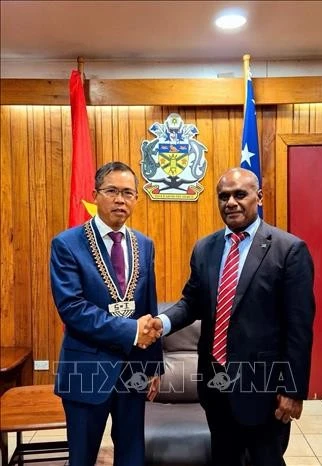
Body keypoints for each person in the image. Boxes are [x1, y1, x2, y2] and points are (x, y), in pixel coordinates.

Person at [153, 167, 315, 466]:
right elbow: (192, 302)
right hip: (215, 385)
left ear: (259, 197)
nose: (231, 202)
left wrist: (292, 390)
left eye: (240, 194)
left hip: (264, 389)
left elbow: (299, 329)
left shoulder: (289, 250)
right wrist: (161, 323)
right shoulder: (205, 248)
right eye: (223, 196)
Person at [50, 161, 163, 466]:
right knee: (82, 458)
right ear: (95, 195)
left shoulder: (144, 244)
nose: (120, 199)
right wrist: (130, 332)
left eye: (128, 193)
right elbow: (72, 308)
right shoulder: (66, 244)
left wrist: (154, 366)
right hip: (86, 369)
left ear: (136, 199)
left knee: (132, 456)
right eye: (111, 190)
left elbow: (148, 307)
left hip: (133, 370)